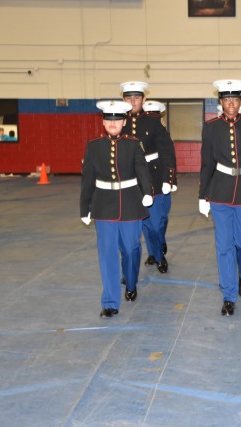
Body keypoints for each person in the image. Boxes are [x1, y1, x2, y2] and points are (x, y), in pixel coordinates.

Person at [199, 79, 241, 316]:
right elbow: (207, 163)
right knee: (224, 246)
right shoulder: (211, 127)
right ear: (220, 101)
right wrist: (203, 195)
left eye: (235, 99)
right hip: (219, 191)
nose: (231, 104)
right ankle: (228, 295)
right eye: (226, 99)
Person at [80, 100, 154, 318]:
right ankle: (110, 301)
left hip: (131, 203)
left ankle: (130, 283)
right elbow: (87, 179)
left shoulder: (133, 144)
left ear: (123, 121)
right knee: (107, 254)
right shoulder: (94, 146)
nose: (112, 123)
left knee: (131, 249)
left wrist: (147, 192)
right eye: (108, 119)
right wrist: (85, 208)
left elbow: (142, 169)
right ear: (103, 121)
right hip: (103, 206)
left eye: (117, 119)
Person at [120, 82, 177, 274]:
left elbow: (167, 151)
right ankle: (150, 256)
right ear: (123, 100)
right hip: (130, 181)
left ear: (143, 99)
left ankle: (159, 253)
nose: (133, 101)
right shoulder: (118, 122)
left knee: (156, 223)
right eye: (129, 98)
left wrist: (169, 179)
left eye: (137, 97)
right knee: (141, 224)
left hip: (154, 178)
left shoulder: (152, 121)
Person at [142, 99, 177, 261]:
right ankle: (153, 253)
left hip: (160, 178)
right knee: (148, 221)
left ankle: (160, 241)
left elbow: (169, 156)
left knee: (161, 218)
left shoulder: (162, 132)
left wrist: (170, 181)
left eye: (155, 116)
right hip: (143, 178)